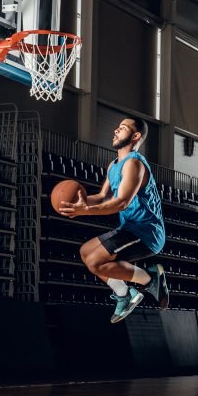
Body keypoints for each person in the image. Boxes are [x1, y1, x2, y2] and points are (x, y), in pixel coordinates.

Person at [58, 117, 169, 323]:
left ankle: (149, 278)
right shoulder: (114, 164)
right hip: (129, 228)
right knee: (85, 252)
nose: (116, 131)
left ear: (135, 136)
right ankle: (125, 294)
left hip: (146, 233)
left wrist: (85, 211)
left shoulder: (134, 164)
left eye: (123, 129)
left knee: (95, 261)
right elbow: (103, 197)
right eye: (117, 127)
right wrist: (76, 203)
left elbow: (121, 203)